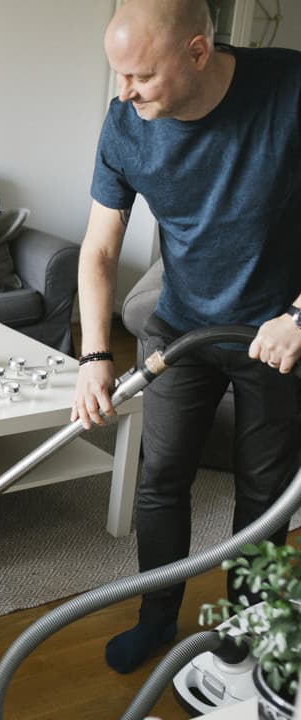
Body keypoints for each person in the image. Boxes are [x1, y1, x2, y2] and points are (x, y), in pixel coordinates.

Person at [71, 0, 301, 674]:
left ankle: (245, 628)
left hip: (273, 338)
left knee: (263, 495)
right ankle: (156, 618)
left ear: (198, 53)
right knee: (161, 479)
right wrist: (92, 355)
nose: (124, 92)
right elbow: (101, 248)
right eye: (118, 75)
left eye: (140, 76)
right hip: (180, 331)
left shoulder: (288, 92)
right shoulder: (126, 123)